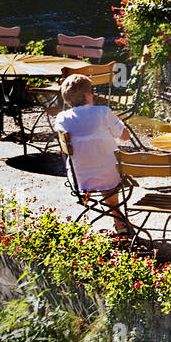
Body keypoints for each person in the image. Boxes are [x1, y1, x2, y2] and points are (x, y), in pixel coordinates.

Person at [53, 73, 133, 234]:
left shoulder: (61, 118)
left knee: (95, 162)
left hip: (81, 179)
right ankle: (118, 221)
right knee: (108, 169)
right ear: (87, 95)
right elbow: (125, 136)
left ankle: (117, 220)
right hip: (110, 176)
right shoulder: (102, 112)